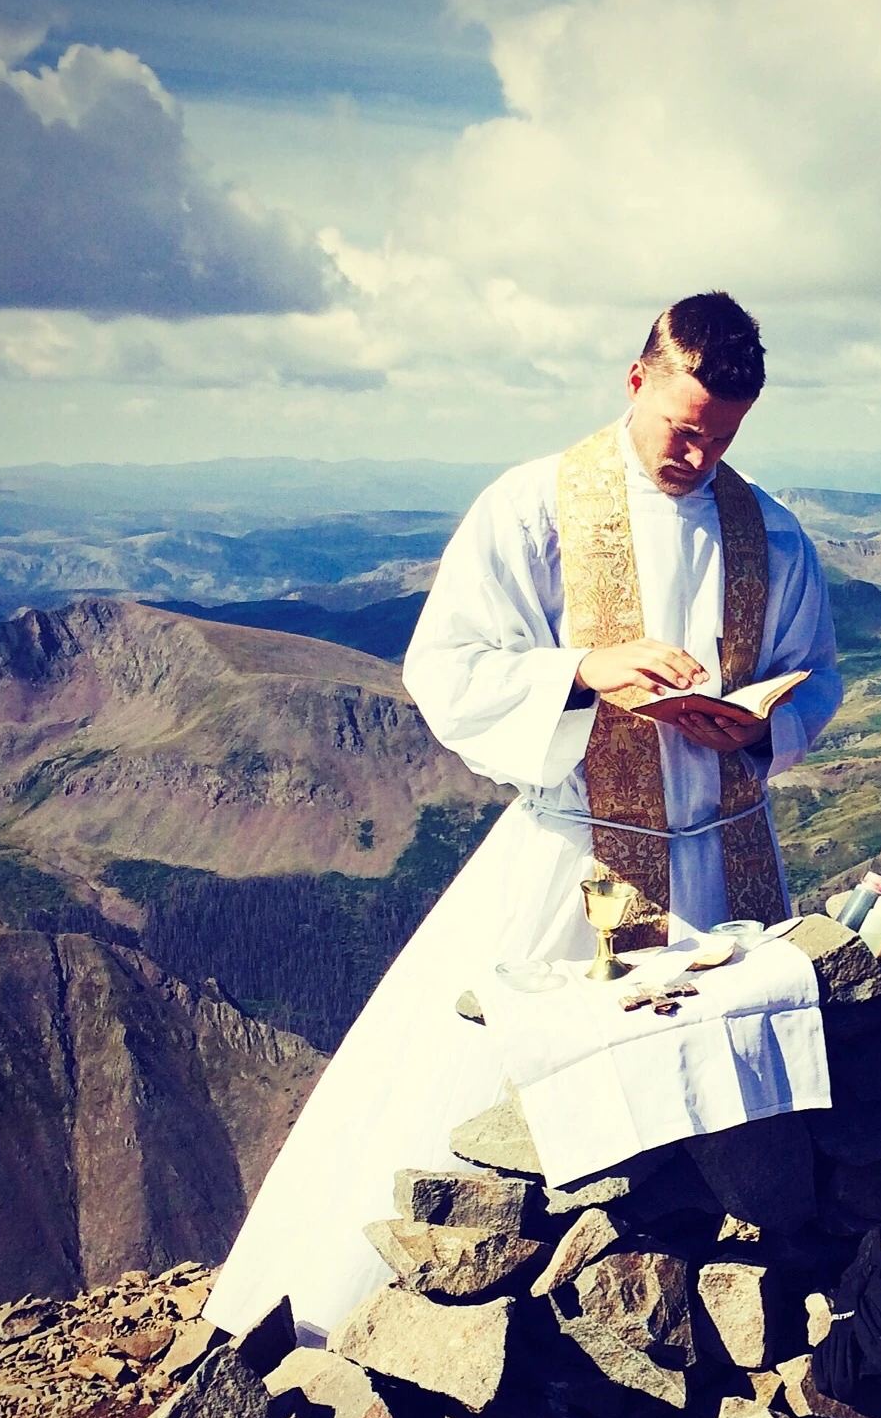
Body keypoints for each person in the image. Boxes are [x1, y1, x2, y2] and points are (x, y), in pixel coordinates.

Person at [205, 292, 843, 1342]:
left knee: (729, 1111)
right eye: (682, 426)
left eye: (721, 437)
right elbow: (446, 666)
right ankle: (437, 1320)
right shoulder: (531, 507)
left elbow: (813, 677)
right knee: (499, 1103)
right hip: (578, 858)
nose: (697, 453)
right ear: (634, 378)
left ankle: (707, 1307)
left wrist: (760, 729)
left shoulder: (767, 530)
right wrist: (586, 672)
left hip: (727, 862)